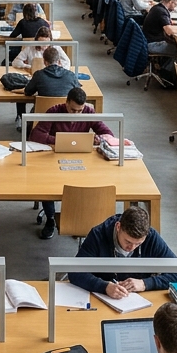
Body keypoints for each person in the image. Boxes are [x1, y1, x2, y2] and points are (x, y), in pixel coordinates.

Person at [28, 87, 113, 239]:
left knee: (84, 184)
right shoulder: (54, 111)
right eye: (73, 110)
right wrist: (60, 140)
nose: (77, 114)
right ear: (66, 103)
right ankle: (50, 219)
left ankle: (77, 218)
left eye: (80, 111)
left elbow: (108, 133)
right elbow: (36, 135)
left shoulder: (88, 112)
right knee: (47, 184)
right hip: (54, 156)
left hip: (80, 157)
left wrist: (100, 138)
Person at [68, 205, 177, 297]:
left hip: (140, 299)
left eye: (138, 244)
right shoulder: (98, 235)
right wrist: (104, 286)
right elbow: (75, 272)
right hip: (104, 298)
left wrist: (145, 284)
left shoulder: (152, 237)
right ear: (118, 227)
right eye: (128, 242)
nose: (132, 248)